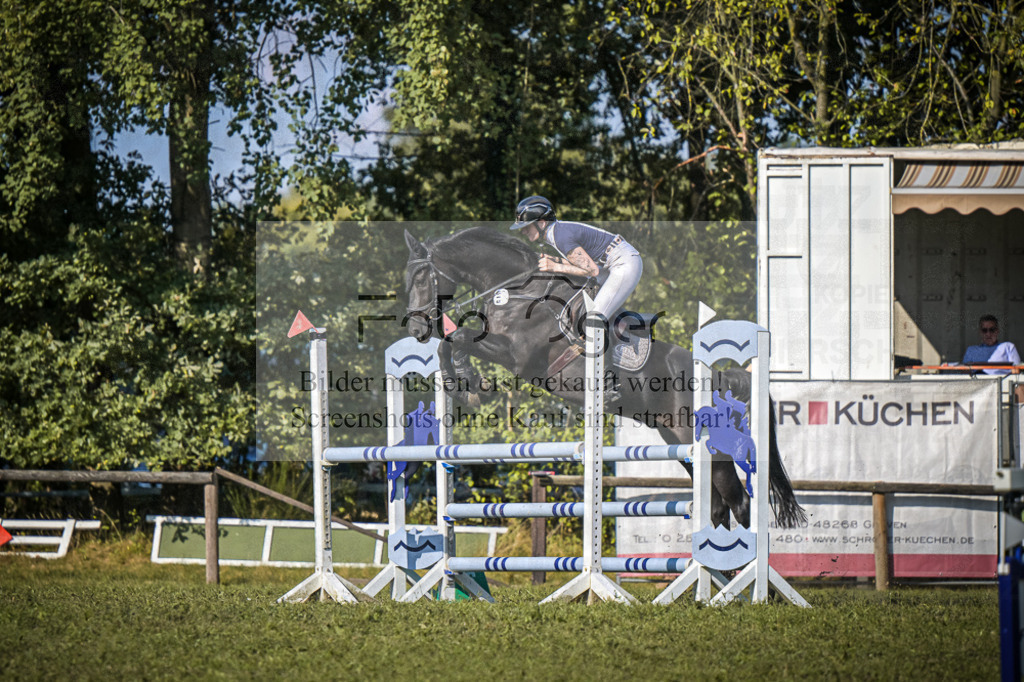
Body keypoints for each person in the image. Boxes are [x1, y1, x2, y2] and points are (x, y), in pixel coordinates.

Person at [509, 195, 643, 331]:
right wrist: (555, 260)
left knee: (592, 321)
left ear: (542, 223)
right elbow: (582, 264)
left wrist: (555, 267)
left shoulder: (560, 236)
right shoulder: (557, 232)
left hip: (622, 262)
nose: (523, 231)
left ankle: (613, 349)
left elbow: (592, 271)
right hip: (609, 262)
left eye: (527, 226)